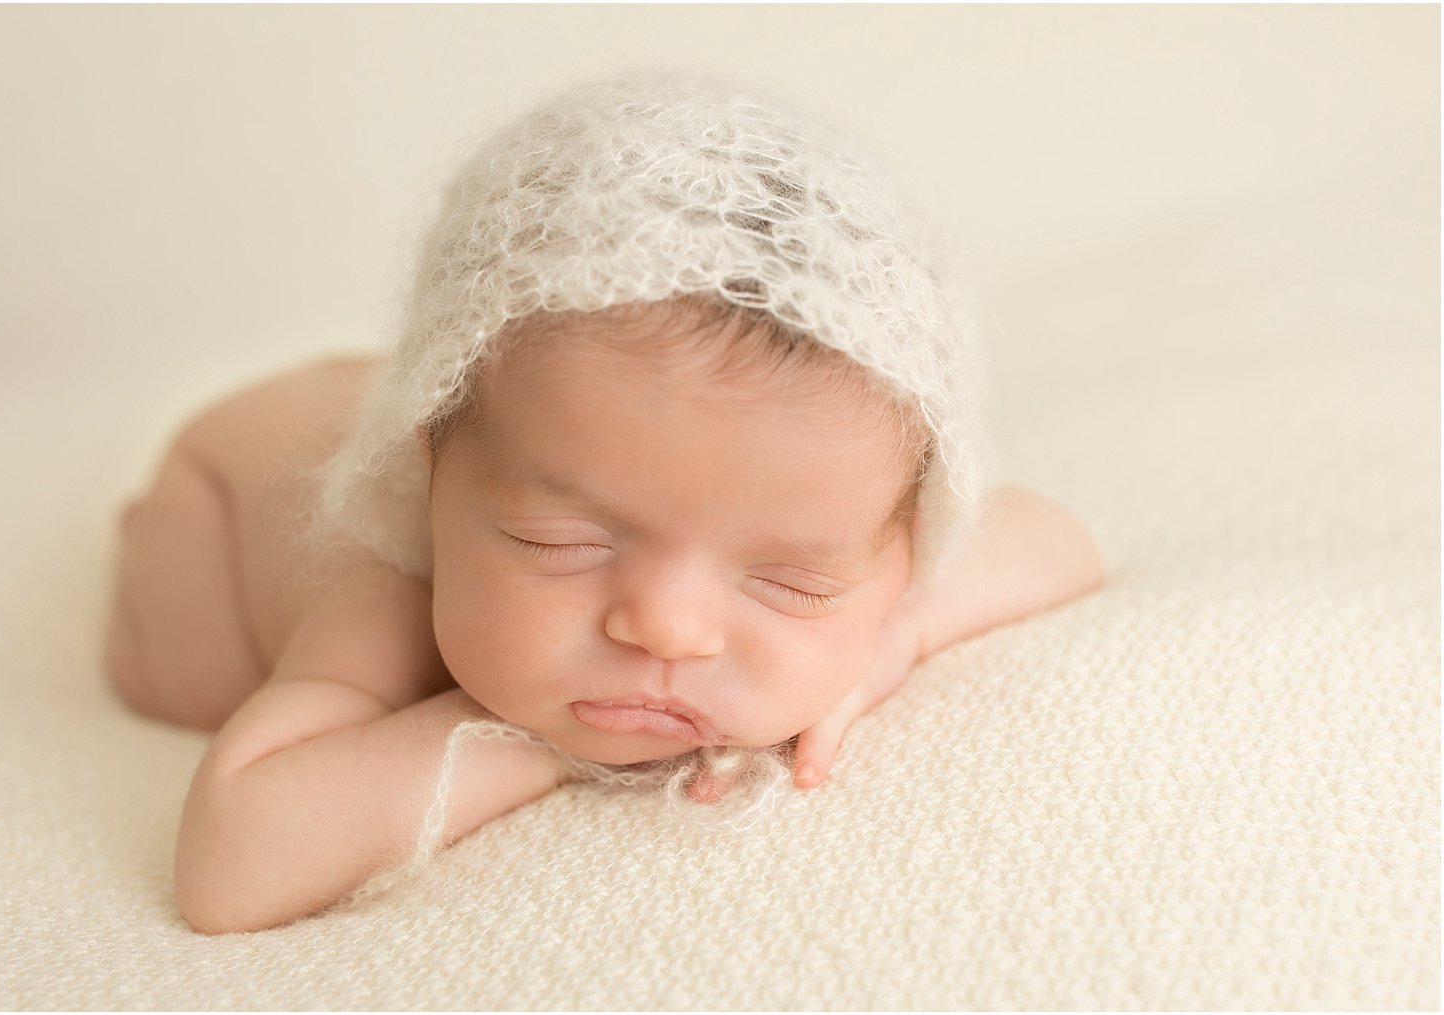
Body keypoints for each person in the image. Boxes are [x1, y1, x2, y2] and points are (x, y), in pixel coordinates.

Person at [104, 75, 1106, 934]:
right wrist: (535, 739)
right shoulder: (389, 595)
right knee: (185, 689)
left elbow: (1057, 539)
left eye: (788, 578)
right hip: (224, 478)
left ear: (898, 546)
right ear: (436, 486)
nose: (664, 627)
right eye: (559, 541)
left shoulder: (853, 525)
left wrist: (884, 636)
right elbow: (227, 866)